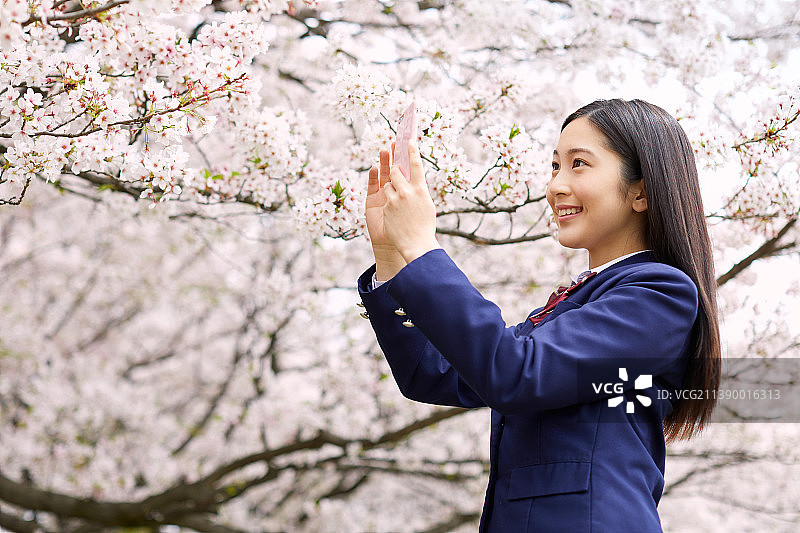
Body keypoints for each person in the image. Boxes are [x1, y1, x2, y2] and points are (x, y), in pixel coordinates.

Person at [356, 99, 721, 532]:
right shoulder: (573, 303)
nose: (556, 186)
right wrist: (392, 255)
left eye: (579, 164)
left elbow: (512, 372)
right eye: (554, 167)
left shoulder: (659, 294)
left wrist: (422, 246)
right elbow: (431, 373)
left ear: (641, 190)